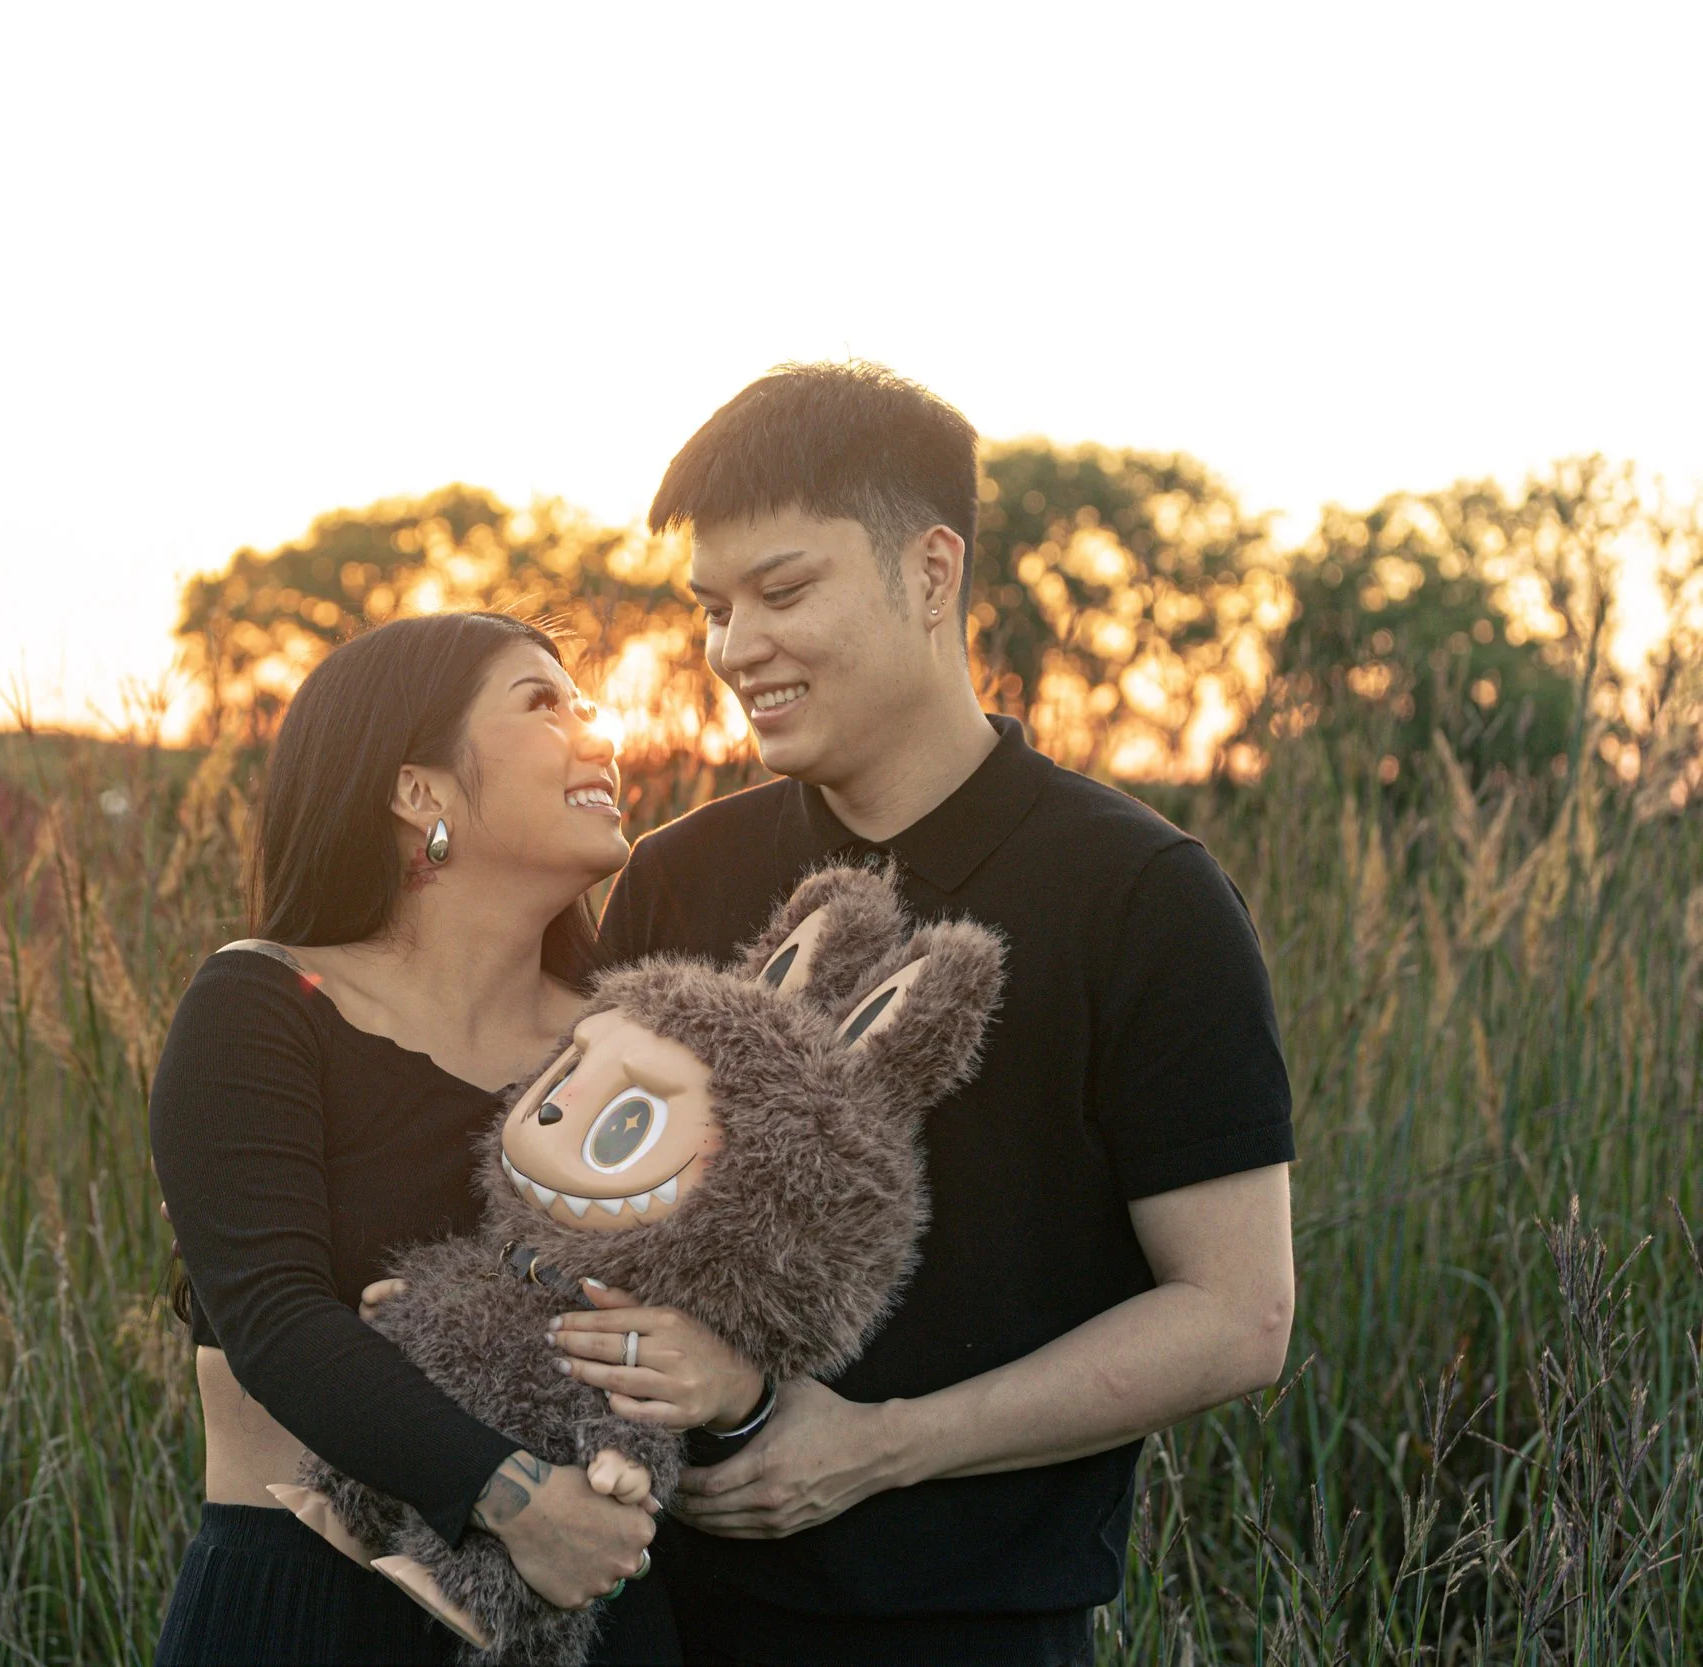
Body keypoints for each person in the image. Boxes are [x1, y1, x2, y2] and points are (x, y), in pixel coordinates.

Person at [549, 363, 1297, 1666]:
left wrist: (882, 1447)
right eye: (716, 608)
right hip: (666, 1619)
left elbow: (1236, 1313)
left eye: (784, 591)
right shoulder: (678, 875)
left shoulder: (1142, 895)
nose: (735, 648)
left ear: (934, 569)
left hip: (977, 1628)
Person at [149, 611, 760, 1665]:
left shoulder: (632, 1050)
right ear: (416, 790)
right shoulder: (266, 1001)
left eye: (584, 701)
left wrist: (729, 1388)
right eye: (542, 703)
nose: (596, 731)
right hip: (312, 1606)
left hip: (591, 1622)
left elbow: (722, 1311)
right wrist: (512, 1497)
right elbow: (275, 1319)